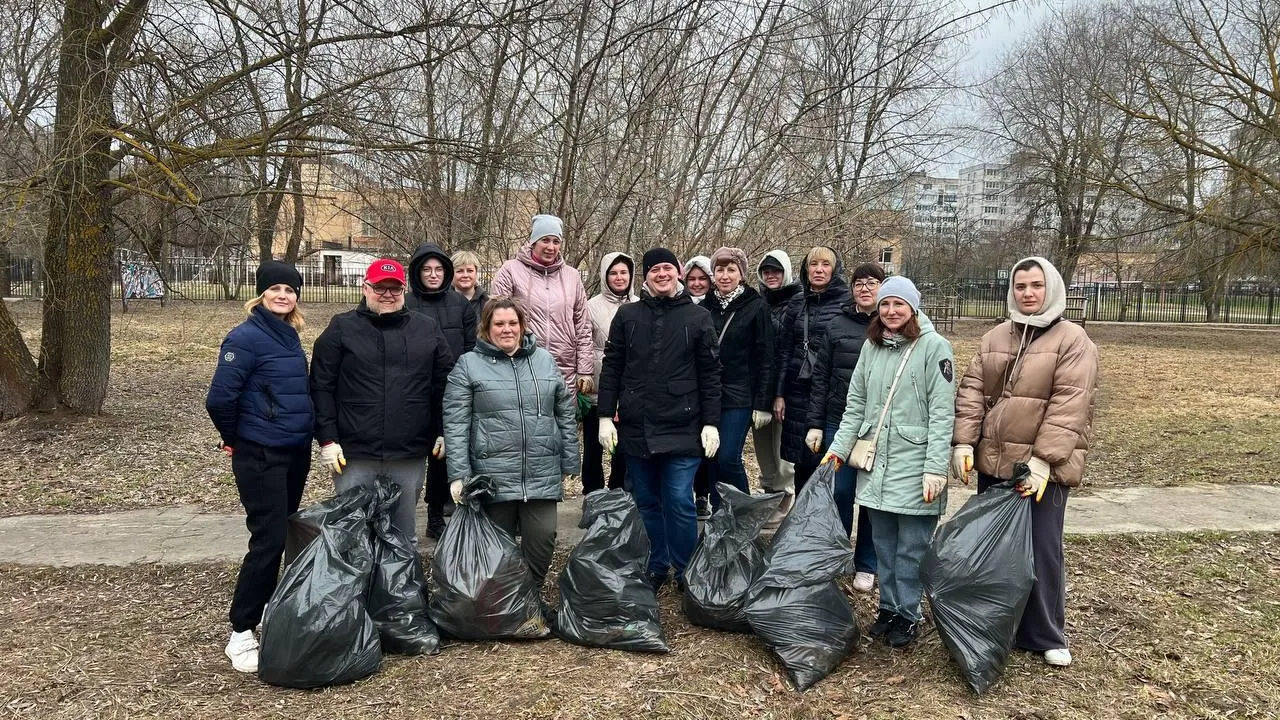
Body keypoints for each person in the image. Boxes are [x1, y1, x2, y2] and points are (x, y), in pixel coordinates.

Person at [952, 256, 1100, 668]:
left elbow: (1070, 403)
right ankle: (1001, 622)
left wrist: (1044, 460)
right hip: (996, 462)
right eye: (1021, 287)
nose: (1028, 293)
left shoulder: (1073, 340)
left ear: (1050, 288)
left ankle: (1046, 632)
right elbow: (972, 391)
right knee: (997, 549)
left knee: (1041, 550)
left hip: (1042, 470)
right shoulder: (997, 335)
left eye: (1036, 285)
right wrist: (964, 443)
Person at [823, 276, 956, 649]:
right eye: (885, 305)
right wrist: (838, 449)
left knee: (911, 546)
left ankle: (908, 614)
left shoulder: (935, 348)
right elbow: (856, 406)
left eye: (898, 304)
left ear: (913, 307)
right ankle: (889, 608)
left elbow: (943, 414)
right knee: (883, 542)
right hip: (877, 462)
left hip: (915, 465)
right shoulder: (873, 346)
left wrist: (934, 468)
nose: (891, 311)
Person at [206, 261, 313, 673]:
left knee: (282, 530)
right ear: (261, 293)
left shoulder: (288, 335)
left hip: (292, 451)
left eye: (290, 289)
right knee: (267, 538)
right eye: (276, 289)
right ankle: (240, 629)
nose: (283, 295)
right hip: (261, 454)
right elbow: (219, 399)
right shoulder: (245, 338)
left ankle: (270, 606)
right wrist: (237, 438)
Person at [597, 248, 721, 591]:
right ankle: (657, 563)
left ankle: (685, 570)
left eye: (668, 268)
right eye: (654, 270)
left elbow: (711, 374)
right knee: (647, 500)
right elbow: (612, 367)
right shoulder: (628, 315)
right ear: (646, 276)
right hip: (638, 425)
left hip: (683, 424)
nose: (661, 274)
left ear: (678, 272)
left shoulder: (698, 318)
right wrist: (606, 415)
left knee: (679, 500)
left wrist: (711, 423)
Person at [310, 259, 454, 551]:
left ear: (404, 290)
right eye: (380, 288)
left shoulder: (426, 329)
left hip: (408, 451)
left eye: (394, 288)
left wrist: (443, 430)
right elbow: (321, 386)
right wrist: (327, 439)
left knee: (402, 537)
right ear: (365, 288)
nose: (387, 294)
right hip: (354, 453)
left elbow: (445, 384)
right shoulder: (341, 328)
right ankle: (356, 594)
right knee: (353, 536)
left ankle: (400, 596)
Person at [443, 298, 579, 587]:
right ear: (486, 328)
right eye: (499, 324)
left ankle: (530, 598)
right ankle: (505, 605)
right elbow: (456, 423)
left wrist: (569, 459)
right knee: (498, 549)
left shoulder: (543, 359)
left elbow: (565, 410)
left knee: (542, 539)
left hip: (540, 472)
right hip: (493, 475)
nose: (507, 330)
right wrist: (458, 475)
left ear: (522, 326)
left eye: (513, 323)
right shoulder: (468, 365)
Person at [805, 262, 885, 592]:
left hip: (879, 425)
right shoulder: (837, 323)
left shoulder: (893, 323)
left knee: (872, 496)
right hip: (840, 419)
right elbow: (820, 377)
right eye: (859, 283)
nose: (865, 289)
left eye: (872, 283)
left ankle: (867, 562)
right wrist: (816, 424)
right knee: (839, 490)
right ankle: (836, 555)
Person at [405, 242, 478, 537]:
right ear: (417, 272)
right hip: (411, 391)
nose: (433, 275)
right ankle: (401, 515)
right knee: (410, 456)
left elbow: (473, 347)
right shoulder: (406, 303)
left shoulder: (459, 304)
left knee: (441, 454)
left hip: (450, 390)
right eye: (426, 269)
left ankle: (436, 513)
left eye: (438, 269)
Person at [489, 214, 594, 397]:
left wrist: (585, 370)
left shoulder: (572, 276)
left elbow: (583, 326)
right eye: (545, 240)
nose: (551, 247)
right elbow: (494, 319)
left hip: (564, 368)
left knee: (564, 422)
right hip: (521, 362)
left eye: (556, 241)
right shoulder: (510, 270)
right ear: (534, 241)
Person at [775, 246, 850, 494]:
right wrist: (779, 394)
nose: (819, 270)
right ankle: (800, 521)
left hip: (832, 391)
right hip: (798, 390)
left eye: (825, 264)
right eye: (813, 264)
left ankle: (825, 523)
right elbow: (784, 349)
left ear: (835, 269)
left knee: (829, 461)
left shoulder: (847, 301)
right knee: (801, 461)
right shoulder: (797, 301)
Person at [702, 246, 773, 510]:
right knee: (710, 455)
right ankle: (720, 513)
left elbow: (766, 357)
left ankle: (744, 512)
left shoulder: (755, 307)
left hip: (740, 393)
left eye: (731, 270)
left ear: (741, 274)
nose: (725, 275)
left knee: (728, 455)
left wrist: (763, 402)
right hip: (709, 393)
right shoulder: (705, 306)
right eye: (719, 269)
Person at [753, 250, 801, 526]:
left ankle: (786, 494)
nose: (771, 276)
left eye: (776, 271)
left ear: (786, 273)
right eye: (766, 271)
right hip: (760, 385)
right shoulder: (760, 303)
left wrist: (782, 390)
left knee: (781, 443)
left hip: (785, 384)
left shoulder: (797, 302)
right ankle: (769, 491)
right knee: (762, 442)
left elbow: (788, 350)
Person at [583, 251, 637, 496]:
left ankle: (618, 493)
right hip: (599, 386)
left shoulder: (640, 304)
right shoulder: (590, 306)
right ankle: (593, 493)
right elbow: (583, 343)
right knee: (594, 446)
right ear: (605, 276)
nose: (618, 277)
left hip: (630, 389)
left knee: (623, 447)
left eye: (623, 272)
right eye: (613, 273)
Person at [683, 254, 715, 515]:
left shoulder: (717, 306)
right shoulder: (679, 304)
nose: (696, 284)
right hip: (685, 386)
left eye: (702, 279)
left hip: (711, 383)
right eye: (691, 279)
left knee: (709, 448)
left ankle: (703, 495)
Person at [451, 249, 489, 318]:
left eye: (470, 271)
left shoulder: (487, 302)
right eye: (459, 271)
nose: (465, 275)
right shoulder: (442, 301)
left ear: (476, 273)